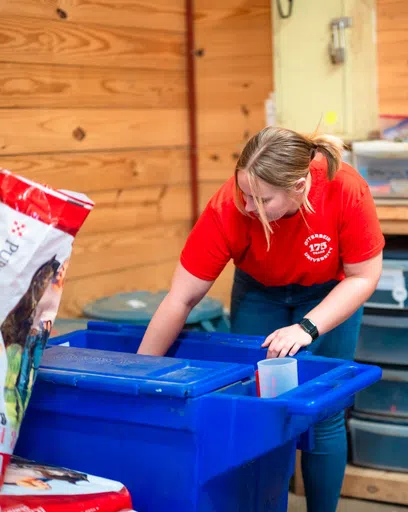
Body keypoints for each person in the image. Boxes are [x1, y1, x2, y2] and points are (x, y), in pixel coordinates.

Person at [137, 126, 384, 512]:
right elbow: (181, 297)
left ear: (299, 186)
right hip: (259, 289)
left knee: (325, 408)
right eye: (244, 193)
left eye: (262, 199)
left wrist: (306, 327)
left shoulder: (344, 189)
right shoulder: (228, 207)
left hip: (331, 291)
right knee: (258, 405)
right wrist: (139, 374)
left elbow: (364, 276)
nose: (248, 206)